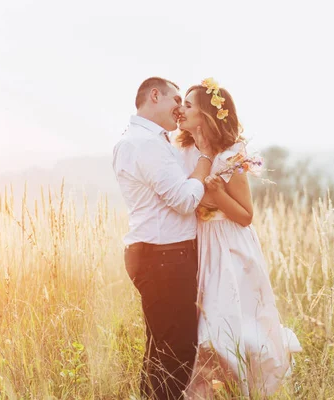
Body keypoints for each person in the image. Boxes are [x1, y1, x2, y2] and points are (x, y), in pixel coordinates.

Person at [176, 78, 302, 398]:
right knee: (204, 330)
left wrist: (216, 197)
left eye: (188, 105)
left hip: (230, 247)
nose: (181, 109)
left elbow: (245, 215)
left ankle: (242, 389)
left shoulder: (232, 154)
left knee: (231, 326)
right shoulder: (182, 151)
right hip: (199, 244)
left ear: (205, 114)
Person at [112, 77, 215, 399]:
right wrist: (206, 159)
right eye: (176, 99)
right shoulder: (145, 144)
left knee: (161, 351)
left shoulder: (148, 141)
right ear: (154, 96)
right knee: (177, 352)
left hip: (158, 255)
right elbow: (184, 200)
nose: (179, 109)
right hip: (165, 257)